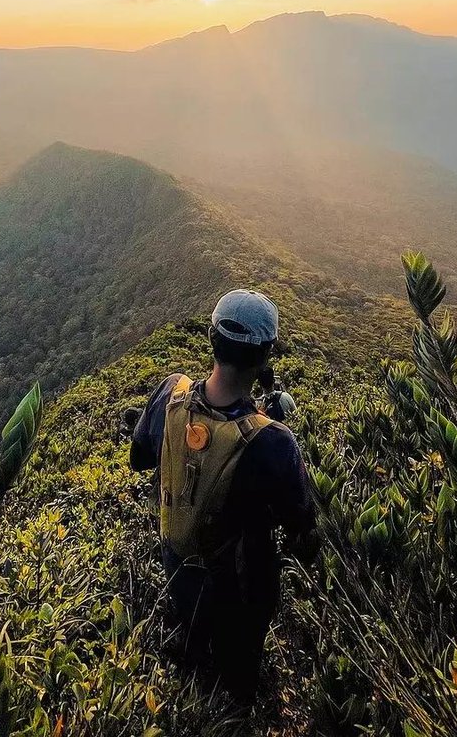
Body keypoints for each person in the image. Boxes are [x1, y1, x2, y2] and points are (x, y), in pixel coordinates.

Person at [129, 289, 318, 707]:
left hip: (177, 565)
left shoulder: (169, 393)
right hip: (240, 591)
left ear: (211, 339)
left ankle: (193, 693)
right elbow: (302, 525)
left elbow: (139, 458)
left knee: (194, 648)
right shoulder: (273, 441)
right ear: (265, 356)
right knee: (238, 677)